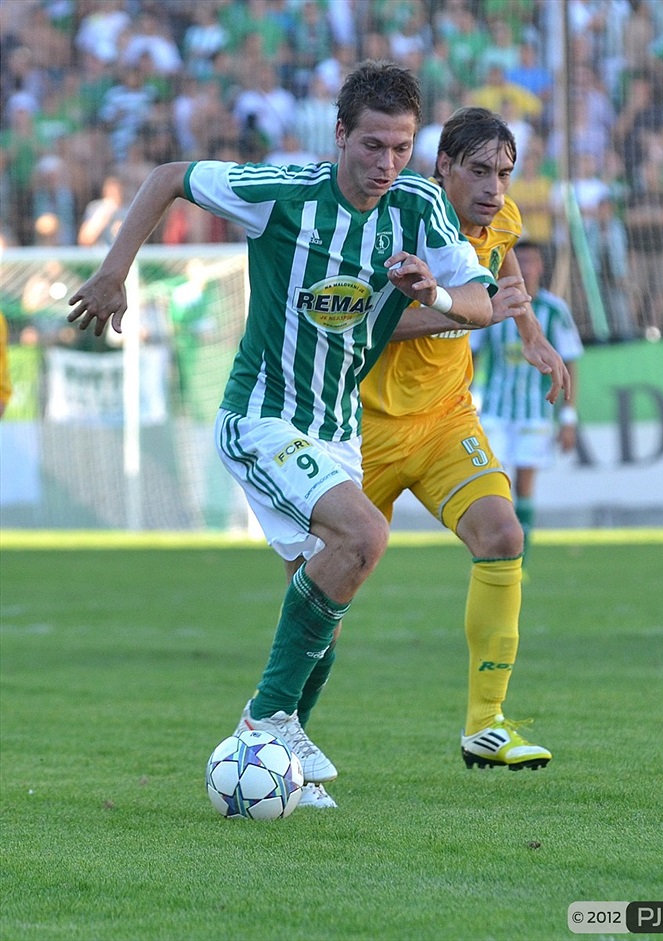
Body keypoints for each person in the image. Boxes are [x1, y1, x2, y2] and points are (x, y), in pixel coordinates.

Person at [67, 62, 522, 810]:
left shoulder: (416, 208)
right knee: (365, 538)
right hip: (261, 419)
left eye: (401, 148)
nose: (386, 165)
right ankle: (265, 721)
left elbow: (478, 302)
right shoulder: (283, 196)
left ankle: (285, 766)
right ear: (339, 135)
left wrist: (432, 291)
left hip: (337, 431)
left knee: (325, 598)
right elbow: (169, 176)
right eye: (372, 145)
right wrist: (115, 272)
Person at [360, 107, 570, 777]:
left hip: (447, 419)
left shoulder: (499, 221)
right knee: (326, 592)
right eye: (480, 171)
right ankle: (278, 728)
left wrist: (531, 334)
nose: (494, 189)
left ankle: (486, 724)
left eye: (505, 174)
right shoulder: (392, 220)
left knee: (503, 534)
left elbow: (506, 275)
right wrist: (454, 310)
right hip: (360, 426)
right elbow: (361, 326)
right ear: (441, 165)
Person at [470, 240, 584, 563]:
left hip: (536, 411)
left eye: (532, 261)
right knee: (496, 482)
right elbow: (474, 353)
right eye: (520, 261)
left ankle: (522, 557)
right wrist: (469, 396)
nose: (527, 268)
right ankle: (499, 547)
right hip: (495, 409)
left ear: (540, 267)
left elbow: (570, 359)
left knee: (525, 483)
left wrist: (568, 417)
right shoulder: (493, 304)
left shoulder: (553, 310)